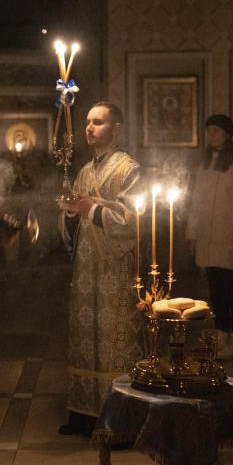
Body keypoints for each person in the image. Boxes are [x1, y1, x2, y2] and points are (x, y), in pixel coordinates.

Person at [57, 101, 141, 436]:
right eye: (88, 122)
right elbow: (75, 213)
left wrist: (91, 208)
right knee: (86, 338)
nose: (89, 128)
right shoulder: (84, 170)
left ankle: (120, 420)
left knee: (113, 342)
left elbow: (133, 218)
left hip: (115, 270)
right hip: (86, 267)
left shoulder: (129, 169)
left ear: (117, 128)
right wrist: (69, 213)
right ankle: (84, 413)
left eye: (98, 122)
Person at [186, 114, 233, 360]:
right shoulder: (204, 161)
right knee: (215, 289)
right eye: (208, 131)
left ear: (227, 133)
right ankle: (220, 332)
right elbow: (196, 200)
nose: (211, 135)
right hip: (208, 236)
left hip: (230, 237)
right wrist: (193, 233)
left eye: (215, 130)